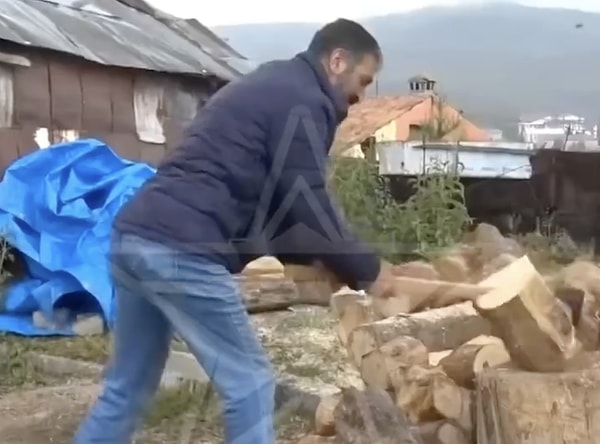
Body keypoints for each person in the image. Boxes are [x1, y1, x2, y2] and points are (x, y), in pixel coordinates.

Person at [74, 18, 396, 444]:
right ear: (337, 60)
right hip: (182, 249)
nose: (362, 96)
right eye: (363, 80)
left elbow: (281, 207)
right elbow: (307, 200)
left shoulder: (274, 85)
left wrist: (325, 264)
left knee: (127, 387)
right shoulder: (303, 99)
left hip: (133, 238)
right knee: (251, 384)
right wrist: (370, 270)